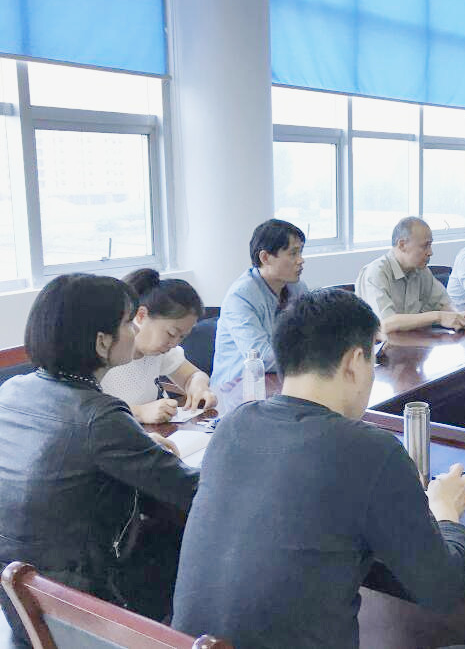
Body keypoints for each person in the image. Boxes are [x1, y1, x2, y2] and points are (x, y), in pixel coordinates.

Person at [172, 288, 465, 649]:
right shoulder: (371, 450)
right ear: (354, 361)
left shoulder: (233, 425)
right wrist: (446, 512)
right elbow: (442, 590)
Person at [0, 274, 199, 646]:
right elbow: (194, 491)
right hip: (78, 604)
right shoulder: (99, 416)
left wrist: (141, 445)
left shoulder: (11, 391)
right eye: (127, 323)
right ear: (102, 341)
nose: (134, 331)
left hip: (19, 597)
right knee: (188, 544)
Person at [101, 269, 218, 423]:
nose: (174, 343)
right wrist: (139, 412)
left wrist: (199, 387)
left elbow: (193, 375)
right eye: (171, 333)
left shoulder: (159, 352)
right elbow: (86, 409)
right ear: (141, 315)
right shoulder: (105, 353)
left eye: (182, 337)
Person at [211, 219, 308, 389]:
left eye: (300, 252)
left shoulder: (298, 288)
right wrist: (314, 356)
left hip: (281, 382)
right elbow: (261, 357)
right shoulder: (240, 297)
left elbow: (313, 335)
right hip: (236, 389)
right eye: (293, 253)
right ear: (265, 257)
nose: (301, 260)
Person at [356, 216, 465, 333]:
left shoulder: (421, 270)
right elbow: (385, 324)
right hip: (379, 345)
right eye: (425, 246)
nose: (430, 252)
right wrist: (438, 317)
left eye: (430, 245)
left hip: (413, 341)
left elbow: (443, 304)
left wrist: (458, 315)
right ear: (402, 245)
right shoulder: (376, 273)